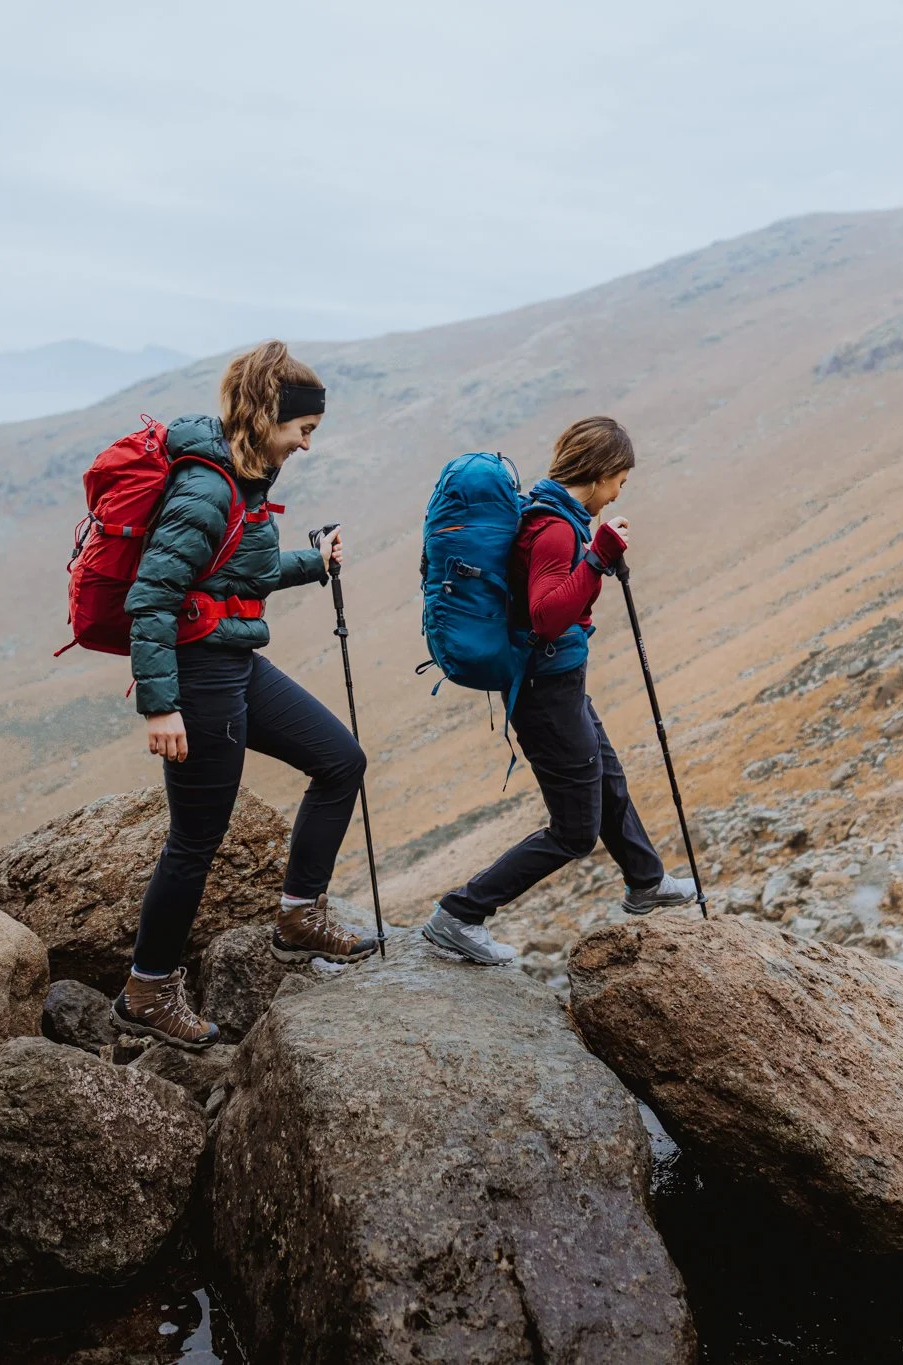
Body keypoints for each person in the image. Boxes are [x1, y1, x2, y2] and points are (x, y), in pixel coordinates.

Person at [114, 340, 378, 1049]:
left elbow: (239, 571)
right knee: (195, 842)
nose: (307, 444)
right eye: (304, 430)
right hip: (199, 677)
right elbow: (151, 598)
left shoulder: (247, 477)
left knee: (340, 761)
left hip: (234, 663)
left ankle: (298, 917)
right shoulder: (207, 489)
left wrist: (314, 565)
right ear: (268, 417)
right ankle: (148, 987)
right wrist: (161, 705)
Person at [420, 416, 697, 964]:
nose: (620, 491)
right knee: (574, 831)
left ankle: (646, 881)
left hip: (559, 683)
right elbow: (547, 616)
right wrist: (597, 558)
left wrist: (594, 555)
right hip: (547, 690)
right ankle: (459, 914)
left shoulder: (556, 515)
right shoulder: (555, 529)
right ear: (597, 476)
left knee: (608, 778)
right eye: (619, 480)